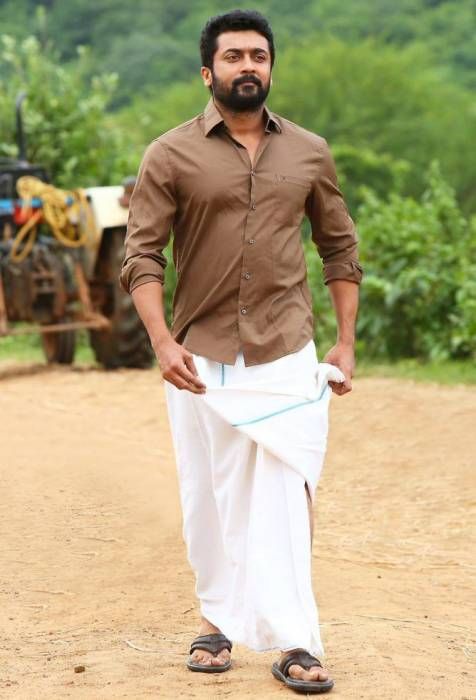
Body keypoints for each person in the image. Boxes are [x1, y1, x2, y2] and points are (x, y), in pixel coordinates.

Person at [120, 9, 362, 695]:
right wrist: (163, 341)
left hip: (288, 351)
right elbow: (141, 255)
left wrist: (344, 344)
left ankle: (295, 641)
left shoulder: (309, 151)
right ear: (208, 72)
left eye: (258, 55)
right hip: (202, 357)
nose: (247, 66)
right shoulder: (169, 154)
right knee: (212, 494)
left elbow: (339, 247)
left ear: (271, 68)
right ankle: (216, 621)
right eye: (233, 57)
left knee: (288, 492)